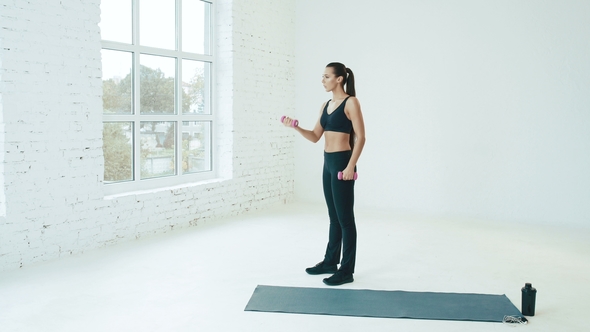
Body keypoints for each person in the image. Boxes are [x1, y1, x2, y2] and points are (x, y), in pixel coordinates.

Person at [282, 62, 366, 286]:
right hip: (328, 163)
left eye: (326, 76)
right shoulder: (326, 105)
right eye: (323, 76)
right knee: (334, 218)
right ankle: (331, 262)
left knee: (346, 219)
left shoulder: (351, 102)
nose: (323, 80)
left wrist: (350, 166)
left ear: (339, 79)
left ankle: (346, 270)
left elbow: (361, 137)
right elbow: (315, 136)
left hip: (342, 163)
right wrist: (296, 127)